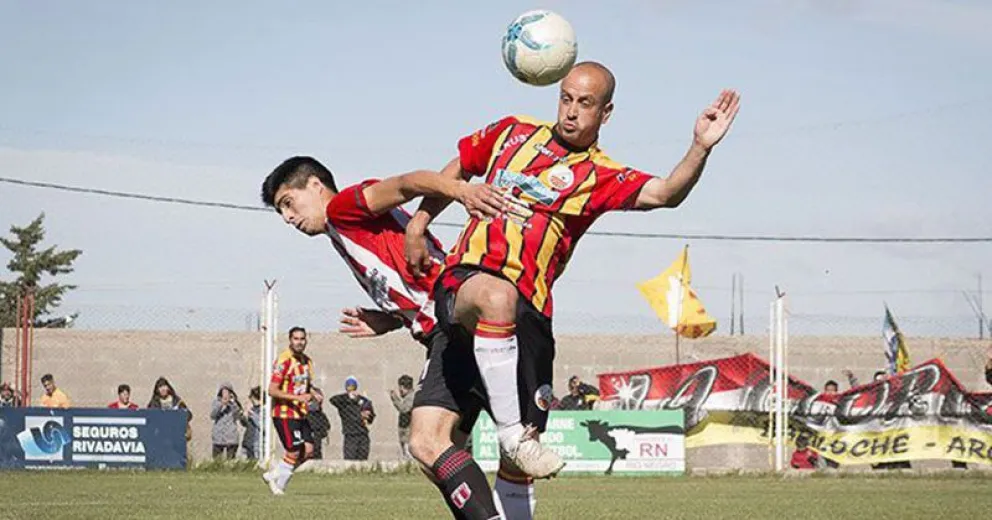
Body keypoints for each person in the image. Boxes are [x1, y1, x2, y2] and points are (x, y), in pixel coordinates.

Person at [404, 62, 740, 491]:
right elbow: (458, 169)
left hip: (530, 313)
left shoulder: (599, 174)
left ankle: (506, 473)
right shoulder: (512, 132)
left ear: (606, 113)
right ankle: (511, 434)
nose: (571, 111)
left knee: (516, 472)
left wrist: (700, 147)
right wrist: (418, 223)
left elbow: (665, 192)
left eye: (585, 103)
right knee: (494, 299)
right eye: (566, 98)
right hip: (467, 282)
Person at [261, 156, 534, 517]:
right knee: (439, 457)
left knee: (426, 443)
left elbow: (407, 183)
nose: (287, 217)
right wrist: (392, 319)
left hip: (452, 325)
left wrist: (462, 191)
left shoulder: (343, 208)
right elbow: (411, 279)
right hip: (448, 326)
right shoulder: (343, 232)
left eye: (288, 203)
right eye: (281, 211)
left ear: (314, 185)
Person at [262, 326, 322, 495]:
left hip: (300, 413)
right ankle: (279, 487)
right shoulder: (284, 361)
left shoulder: (307, 362)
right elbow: (272, 390)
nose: (299, 342)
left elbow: (305, 386)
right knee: (294, 451)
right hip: (284, 413)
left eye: (302, 339)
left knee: (308, 451)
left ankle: (274, 475)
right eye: (296, 339)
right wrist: (298, 398)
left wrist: (314, 393)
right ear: (290, 340)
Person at [328, 377, 376, 461]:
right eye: (349, 387)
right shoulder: (343, 403)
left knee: (362, 461)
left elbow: (371, 418)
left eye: (353, 387)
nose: (351, 389)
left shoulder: (363, 401)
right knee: (350, 460)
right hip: (350, 435)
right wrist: (349, 397)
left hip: (362, 434)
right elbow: (332, 400)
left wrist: (368, 415)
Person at [210, 382, 244, 460]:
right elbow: (213, 416)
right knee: (217, 460)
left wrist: (233, 404)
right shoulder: (216, 402)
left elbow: (238, 416)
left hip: (231, 436)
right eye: (223, 392)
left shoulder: (234, 403)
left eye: (227, 392)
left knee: (230, 461)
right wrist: (222, 404)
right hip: (218, 436)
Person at [389, 375, 415, 460]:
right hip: (405, 433)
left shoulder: (411, 397)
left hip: (408, 433)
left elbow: (404, 409)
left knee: (408, 455)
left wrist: (394, 398)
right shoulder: (408, 397)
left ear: (402, 387)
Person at [241, 386, 262, 461]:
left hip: (256, 444)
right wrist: (243, 416)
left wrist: (252, 414)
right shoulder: (253, 408)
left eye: (251, 397)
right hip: (247, 442)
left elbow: (262, 425)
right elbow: (245, 424)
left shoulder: (263, 409)